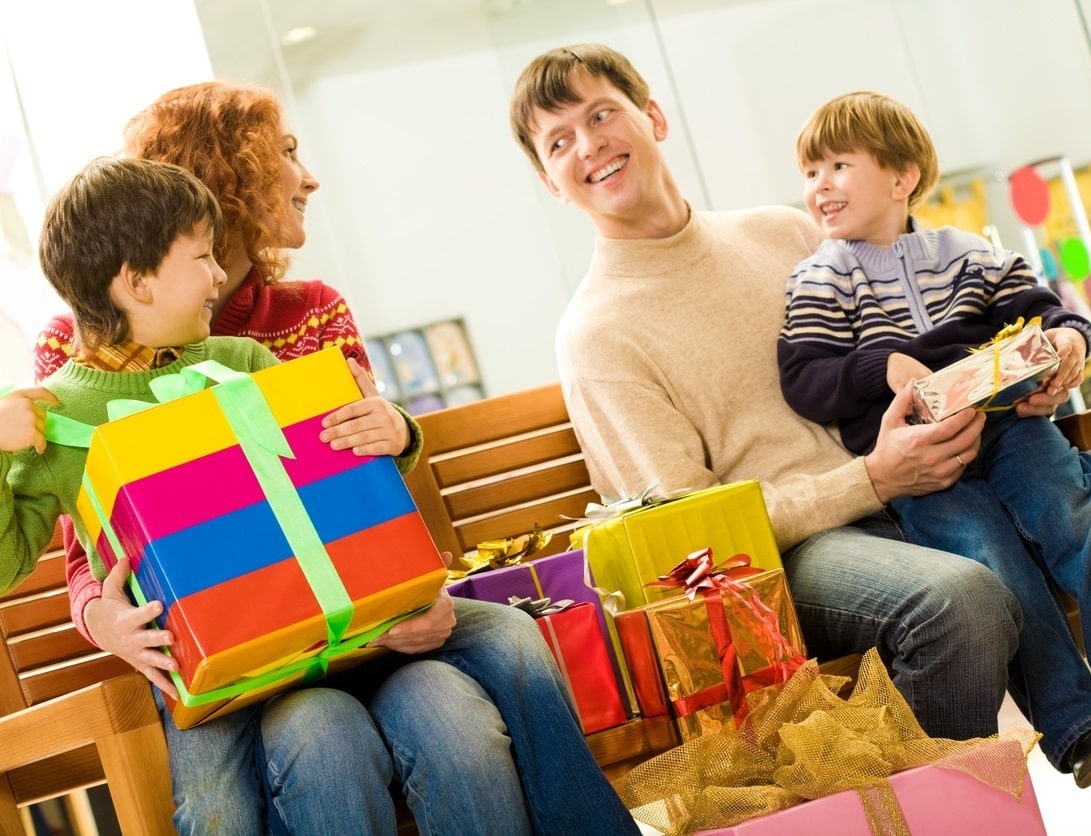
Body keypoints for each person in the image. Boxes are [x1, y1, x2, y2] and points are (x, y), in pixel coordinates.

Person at [508, 42, 1091, 830]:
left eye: (601, 114)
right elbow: (684, 542)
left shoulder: (785, 233)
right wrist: (871, 481)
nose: (588, 145)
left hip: (952, 472)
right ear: (549, 182)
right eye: (558, 141)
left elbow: (945, 299)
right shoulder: (597, 335)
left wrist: (1036, 361)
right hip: (807, 547)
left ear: (652, 118)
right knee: (959, 600)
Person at [30, 82, 637, 836]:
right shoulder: (79, 355)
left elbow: (360, 476)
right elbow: (90, 541)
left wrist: (398, 436)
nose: (307, 176)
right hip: (237, 636)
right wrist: (104, 617)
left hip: (358, 608)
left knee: (498, 656)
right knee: (282, 761)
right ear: (220, 189)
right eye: (285, 155)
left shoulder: (293, 321)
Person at [776, 90, 1091, 786]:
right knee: (988, 559)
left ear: (901, 176)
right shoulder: (820, 278)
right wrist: (880, 363)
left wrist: (1068, 337)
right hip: (924, 464)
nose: (818, 185)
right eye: (809, 172)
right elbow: (805, 377)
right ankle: (1076, 726)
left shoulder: (966, 253)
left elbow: (1046, 312)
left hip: (1008, 426)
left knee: (1071, 501)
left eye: (838, 166)